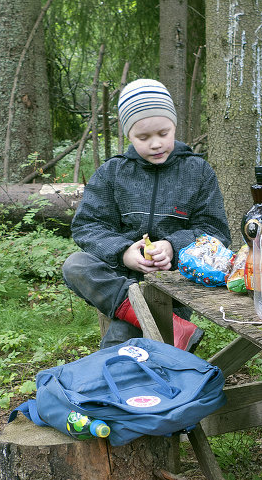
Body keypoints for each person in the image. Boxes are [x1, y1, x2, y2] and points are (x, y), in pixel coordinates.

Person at [62, 79, 231, 351]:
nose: (156, 144)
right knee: (75, 265)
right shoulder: (113, 173)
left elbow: (216, 232)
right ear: (128, 135)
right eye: (143, 138)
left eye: (163, 133)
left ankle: (158, 321)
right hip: (122, 280)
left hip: (176, 283)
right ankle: (163, 322)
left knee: (119, 352)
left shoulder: (197, 171)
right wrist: (124, 252)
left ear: (175, 126)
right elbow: (87, 226)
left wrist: (173, 247)